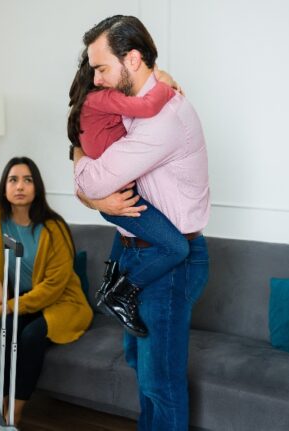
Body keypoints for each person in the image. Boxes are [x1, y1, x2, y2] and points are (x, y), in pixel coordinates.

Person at [71, 15, 210, 431]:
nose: (96, 79)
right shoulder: (139, 103)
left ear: (132, 59)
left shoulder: (160, 122)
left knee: (160, 384)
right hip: (136, 249)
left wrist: (81, 169)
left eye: (101, 68)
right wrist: (93, 189)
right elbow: (97, 174)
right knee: (141, 370)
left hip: (168, 265)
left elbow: (93, 178)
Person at [67, 49, 189, 338]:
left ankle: (111, 284)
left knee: (131, 235)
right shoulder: (101, 100)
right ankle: (120, 293)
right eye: (101, 70)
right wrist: (165, 84)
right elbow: (147, 106)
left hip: (121, 196)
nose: (105, 77)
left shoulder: (91, 107)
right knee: (177, 247)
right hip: (120, 197)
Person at [0, 157, 93, 426]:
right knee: (3, 332)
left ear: (37, 187)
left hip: (60, 302)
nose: (20, 186)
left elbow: (53, 288)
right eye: (13, 180)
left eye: (27, 180)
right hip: (20, 301)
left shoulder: (54, 227)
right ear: (4, 186)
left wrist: (5, 307)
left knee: (31, 336)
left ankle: (15, 412)